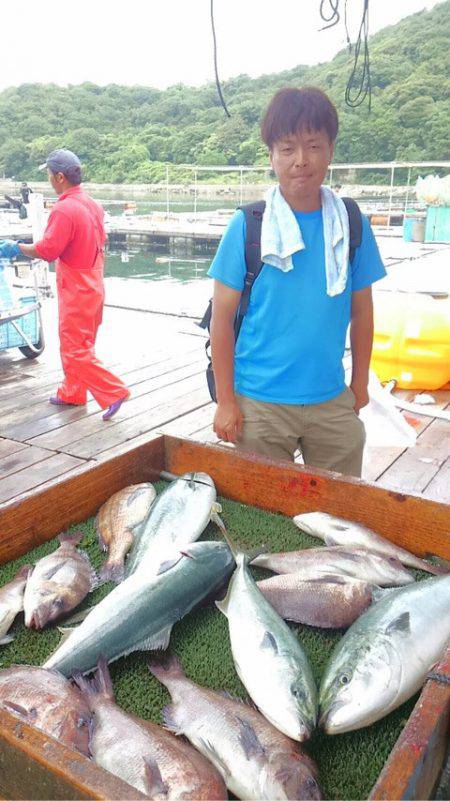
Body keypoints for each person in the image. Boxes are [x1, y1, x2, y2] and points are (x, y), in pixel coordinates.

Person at [207, 87, 386, 477]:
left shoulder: (352, 224)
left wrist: (359, 383)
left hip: (330, 399)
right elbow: (220, 321)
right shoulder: (248, 226)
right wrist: (226, 401)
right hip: (259, 402)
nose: (301, 160)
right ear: (271, 155)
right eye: (287, 148)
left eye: (313, 145)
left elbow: (363, 312)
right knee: (263, 514)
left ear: (330, 150)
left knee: (340, 512)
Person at [0, 149, 129, 420]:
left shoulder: (63, 208)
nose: (48, 179)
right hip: (93, 281)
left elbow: (48, 250)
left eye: (49, 174)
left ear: (60, 177)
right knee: (81, 343)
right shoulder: (92, 204)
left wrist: (16, 248)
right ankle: (73, 392)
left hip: (77, 288)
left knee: (74, 348)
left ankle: (114, 391)